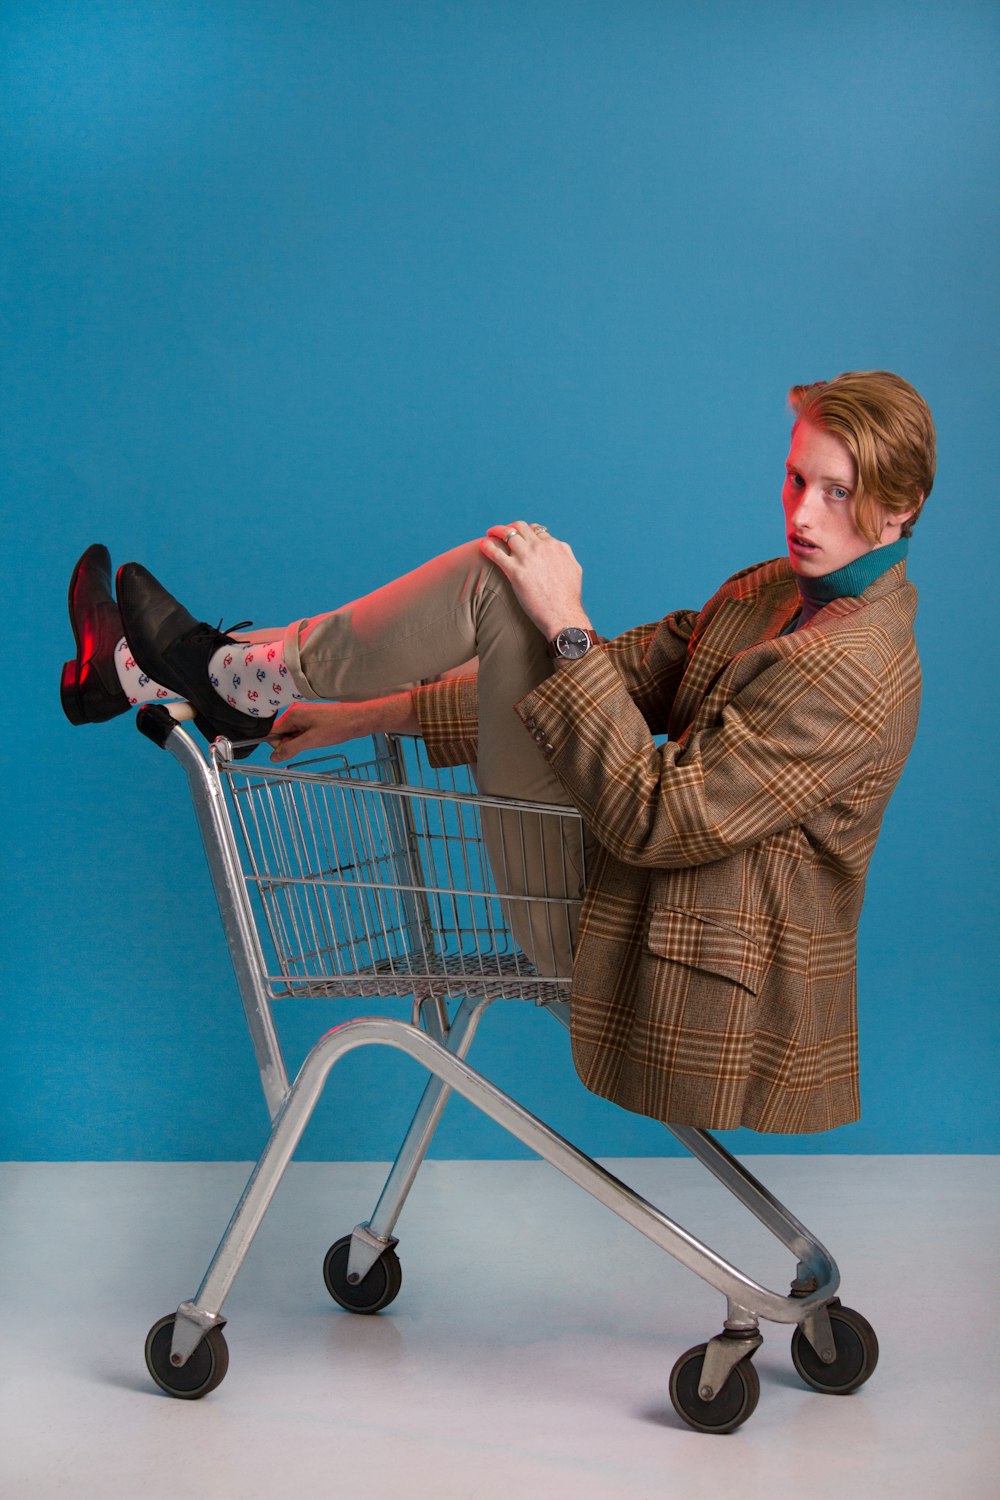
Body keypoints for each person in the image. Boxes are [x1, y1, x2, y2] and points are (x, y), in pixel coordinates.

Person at [60, 369, 935, 1135]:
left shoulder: (853, 671)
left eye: (836, 493)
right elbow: (613, 679)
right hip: (626, 897)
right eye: (795, 478)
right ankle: (166, 677)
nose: (801, 513)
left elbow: (660, 817)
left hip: (661, 958)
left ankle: (226, 676)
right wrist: (367, 714)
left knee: (511, 589)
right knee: (513, 583)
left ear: (899, 510)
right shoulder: (775, 591)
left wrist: (565, 622)